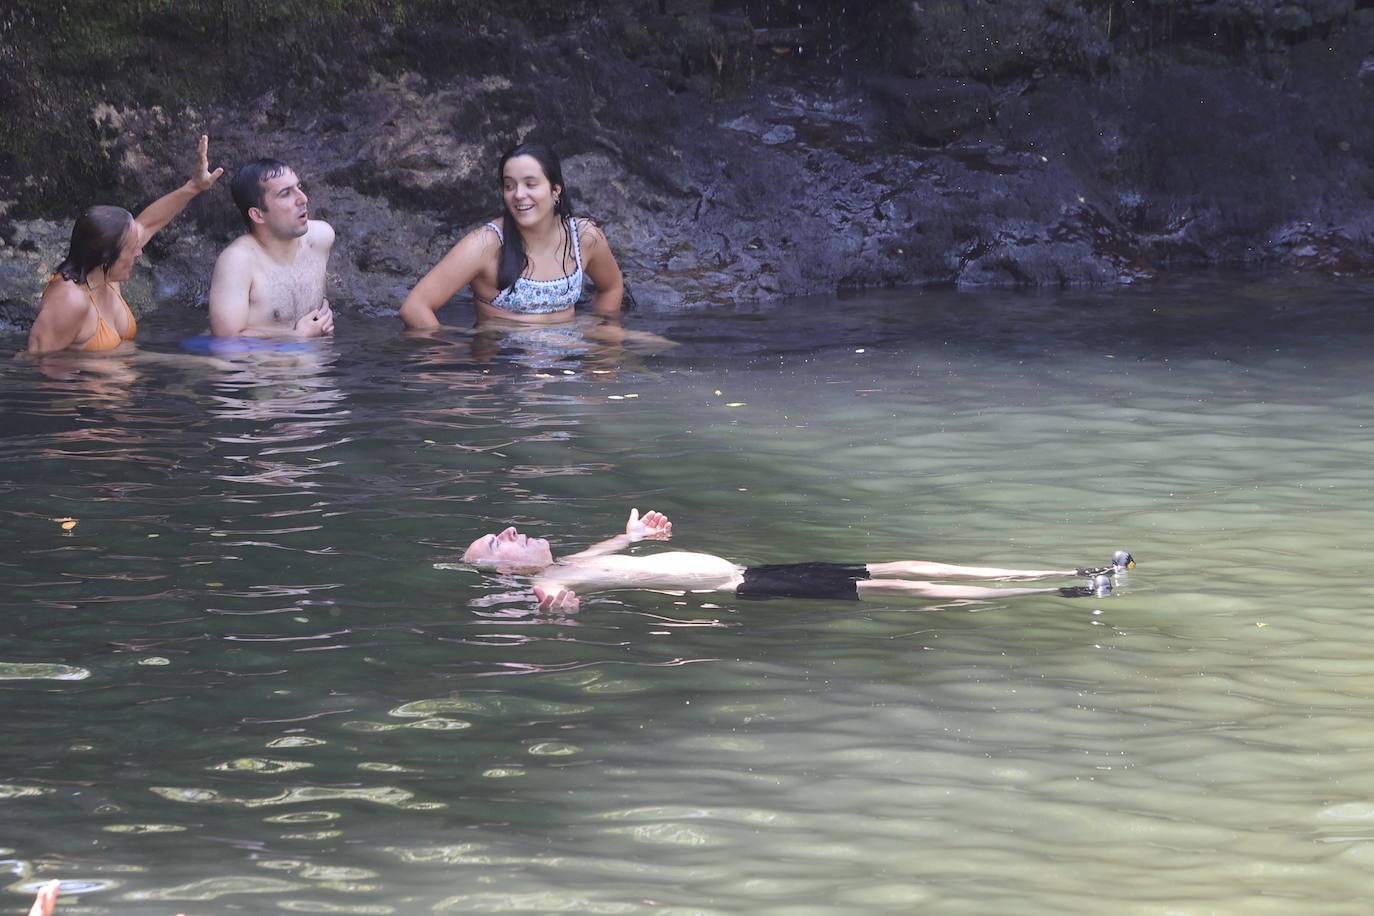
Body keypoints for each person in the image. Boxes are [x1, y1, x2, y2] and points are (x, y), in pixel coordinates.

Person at [461, 508, 1135, 611]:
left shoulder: (573, 556)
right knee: (898, 585)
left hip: (754, 569)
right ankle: (1060, 591)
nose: (511, 530)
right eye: (498, 542)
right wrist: (554, 605)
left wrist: (634, 534)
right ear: (506, 570)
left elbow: (610, 550)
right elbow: (549, 604)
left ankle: (1072, 573)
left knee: (896, 564)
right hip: (742, 587)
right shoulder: (549, 577)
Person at [27, 135, 223, 354]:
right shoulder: (69, 300)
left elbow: (148, 224)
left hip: (122, 376)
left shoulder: (105, 275)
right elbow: (37, 363)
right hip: (89, 386)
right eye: (132, 249)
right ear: (104, 258)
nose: (139, 252)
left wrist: (194, 187)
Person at [399, 143, 624, 329]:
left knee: (652, 347)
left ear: (556, 190)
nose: (518, 195)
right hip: (506, 366)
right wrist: (453, 366)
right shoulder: (485, 244)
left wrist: (605, 341)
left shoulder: (584, 236)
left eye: (530, 184)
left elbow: (611, 286)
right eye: (509, 186)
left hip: (568, 362)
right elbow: (415, 307)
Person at [208, 158, 335, 338]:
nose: (303, 199)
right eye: (286, 194)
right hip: (263, 364)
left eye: (299, 187)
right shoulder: (238, 261)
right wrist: (296, 337)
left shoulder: (321, 238)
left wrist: (324, 314)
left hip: (319, 363)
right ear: (258, 214)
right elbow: (226, 341)